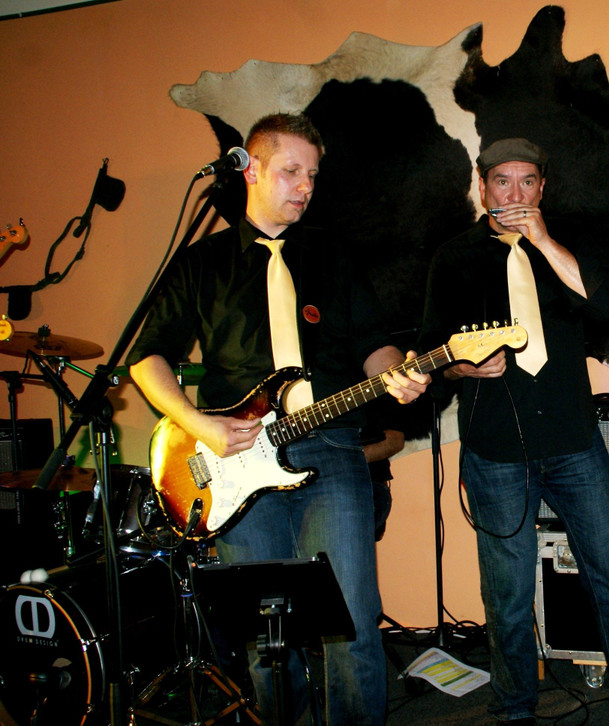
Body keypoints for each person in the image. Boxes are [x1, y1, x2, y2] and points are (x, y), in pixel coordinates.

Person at [127, 112, 428, 725]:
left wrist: (398, 372)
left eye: (312, 175)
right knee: (264, 640)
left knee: (350, 625)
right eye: (291, 171)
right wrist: (200, 424)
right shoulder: (202, 262)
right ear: (250, 168)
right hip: (234, 462)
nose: (305, 186)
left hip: (331, 449)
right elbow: (146, 358)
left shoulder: (334, 255)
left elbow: (374, 344)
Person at [419, 138, 609, 725]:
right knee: (508, 597)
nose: (514, 193)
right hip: (495, 451)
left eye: (527, 181)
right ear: (482, 186)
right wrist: (463, 368)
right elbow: (432, 355)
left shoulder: (569, 245)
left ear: (542, 187)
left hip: (573, 442)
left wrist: (542, 241)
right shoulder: (454, 259)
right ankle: (515, 709)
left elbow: (604, 306)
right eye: (502, 181)